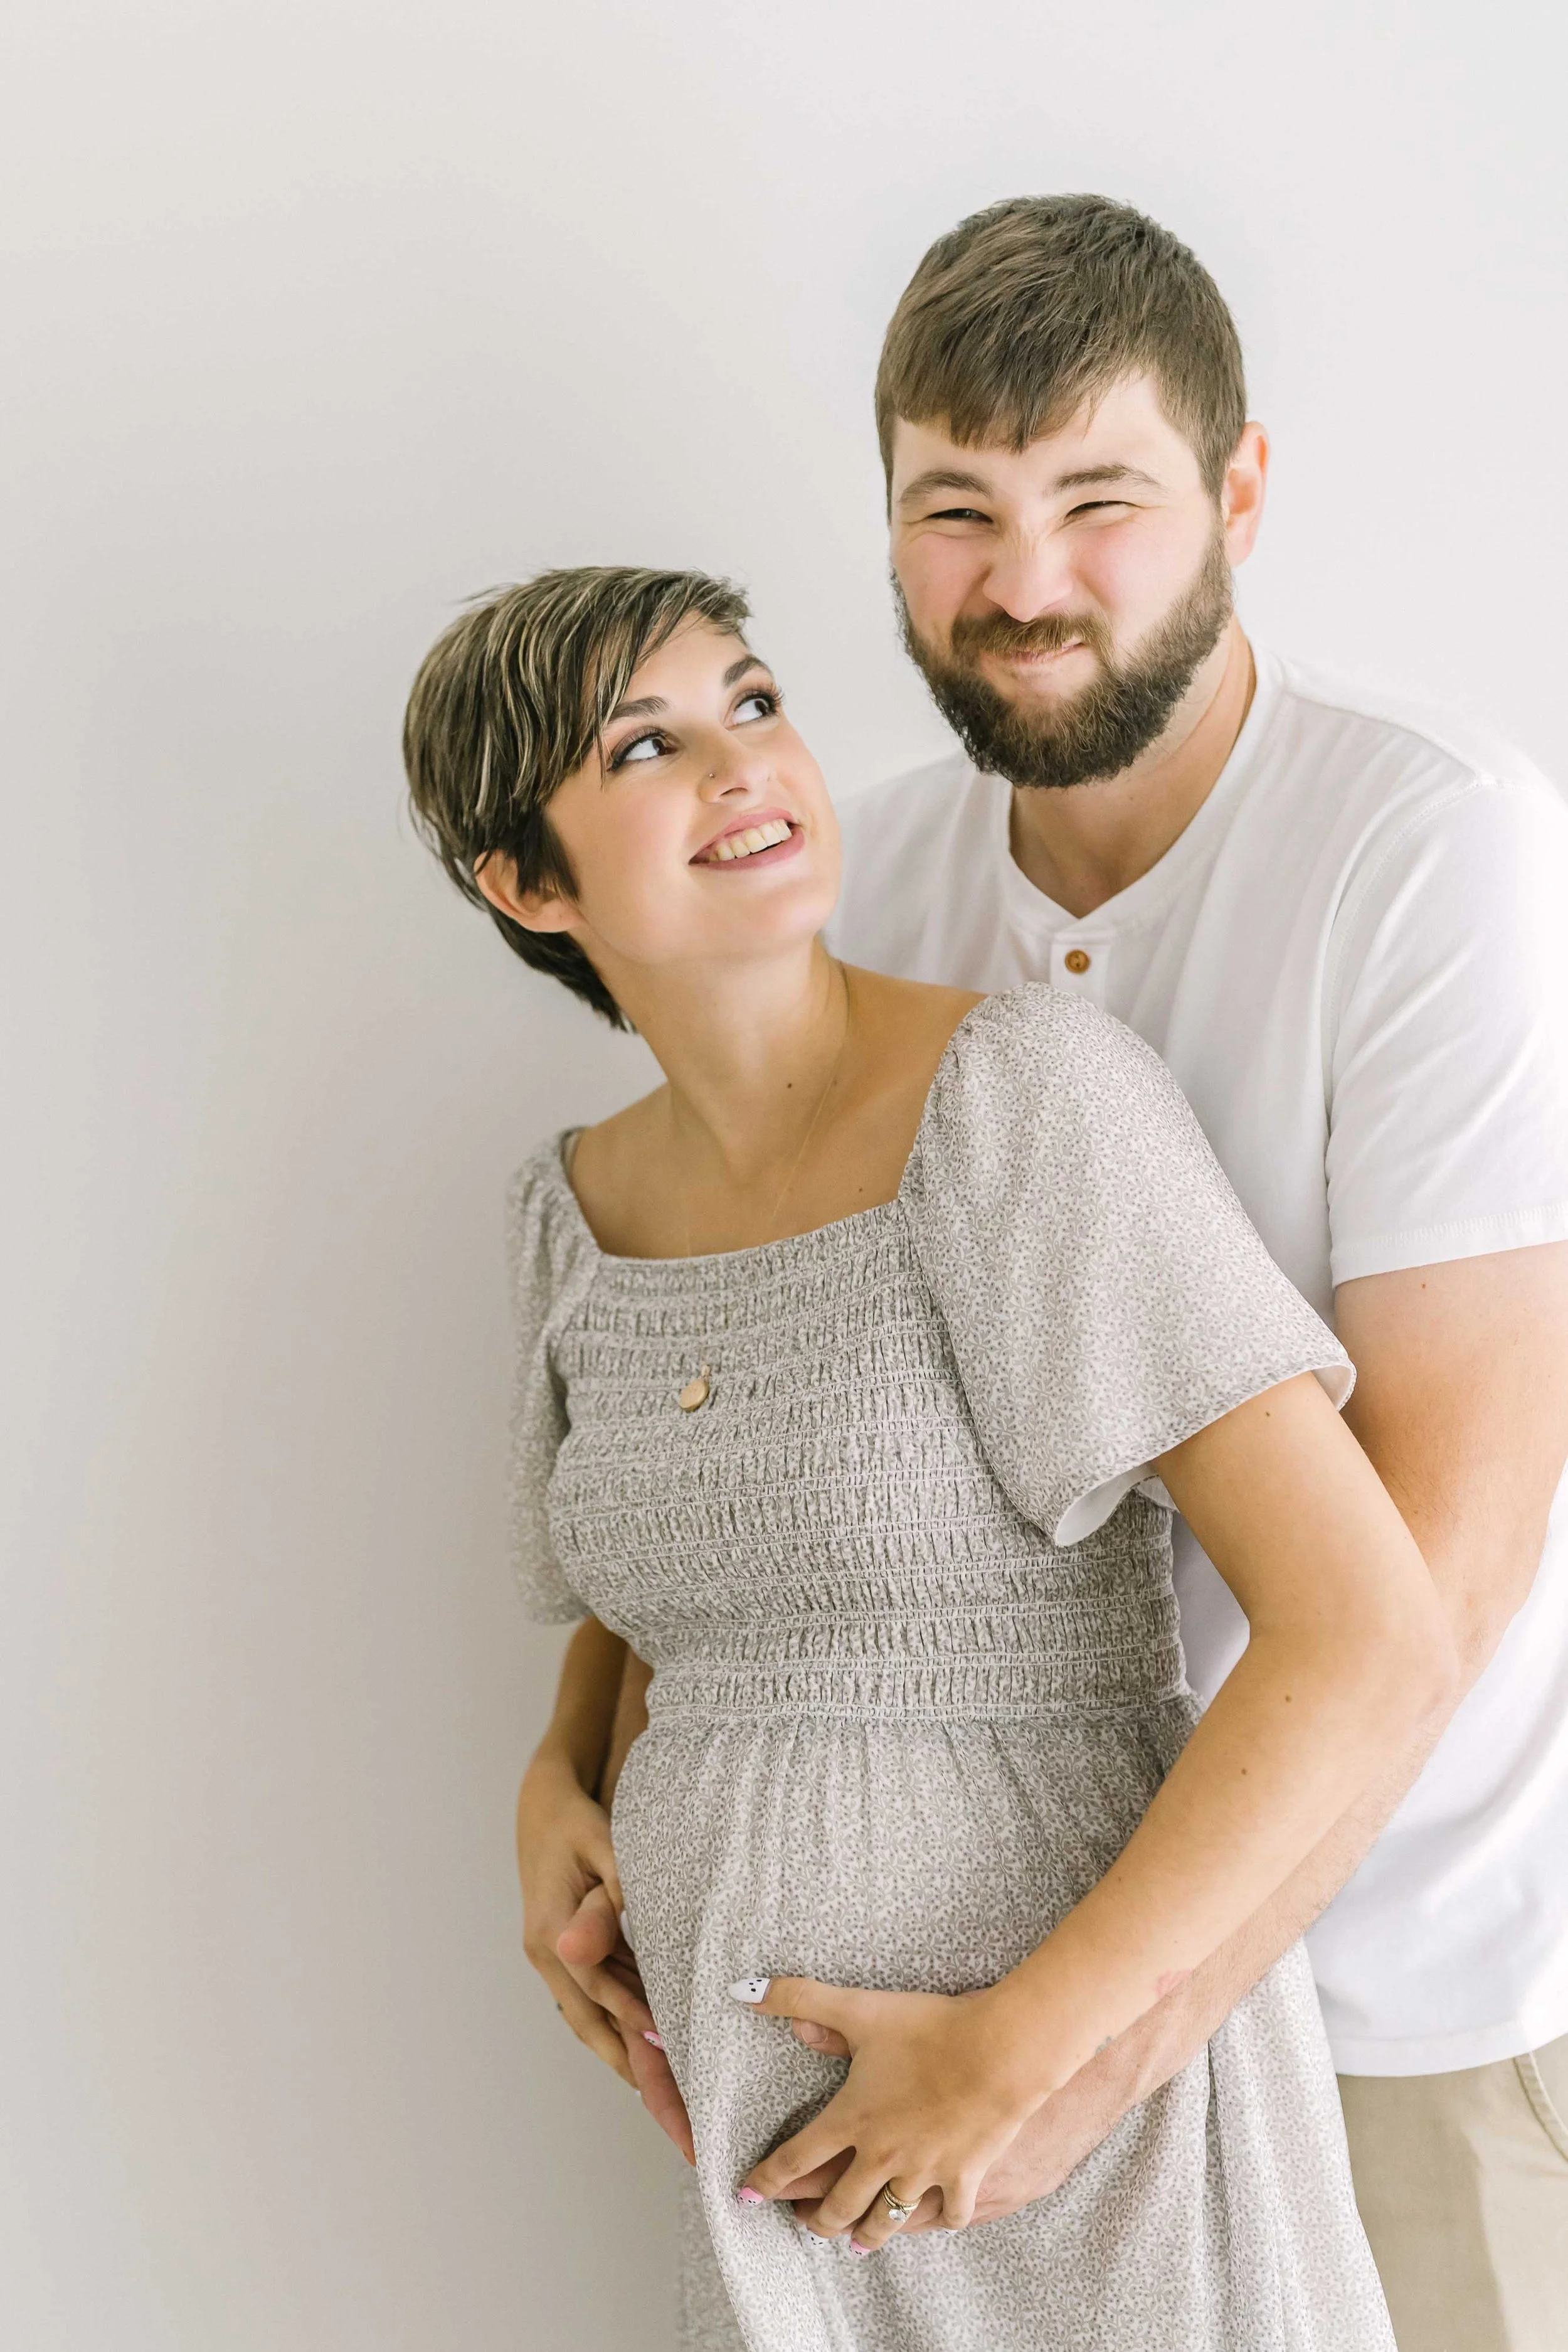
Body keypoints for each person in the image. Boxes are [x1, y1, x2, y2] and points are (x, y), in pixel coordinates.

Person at [519, 200, 1568, 2352]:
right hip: (940, 2048)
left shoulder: (1420, 849)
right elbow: (740, 1367)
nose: (1024, 582)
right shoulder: (856, 868)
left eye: (1101, 500)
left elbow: (1426, 1594)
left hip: (1383, 1987)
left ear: (1237, 494)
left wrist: (1067, 2048)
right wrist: (573, 1756)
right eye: (955, 511)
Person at [403, 563, 1449, 2348]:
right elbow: (674, 1582)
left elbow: (1369, 1633)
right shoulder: (567, 1215)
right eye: (646, 744)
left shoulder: (1021, 1102)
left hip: (1068, 2130)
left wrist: (1023, 2057)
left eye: (749, 701)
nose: (742, 766)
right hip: (774, 2156)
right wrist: (554, 1773)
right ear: (525, 881)